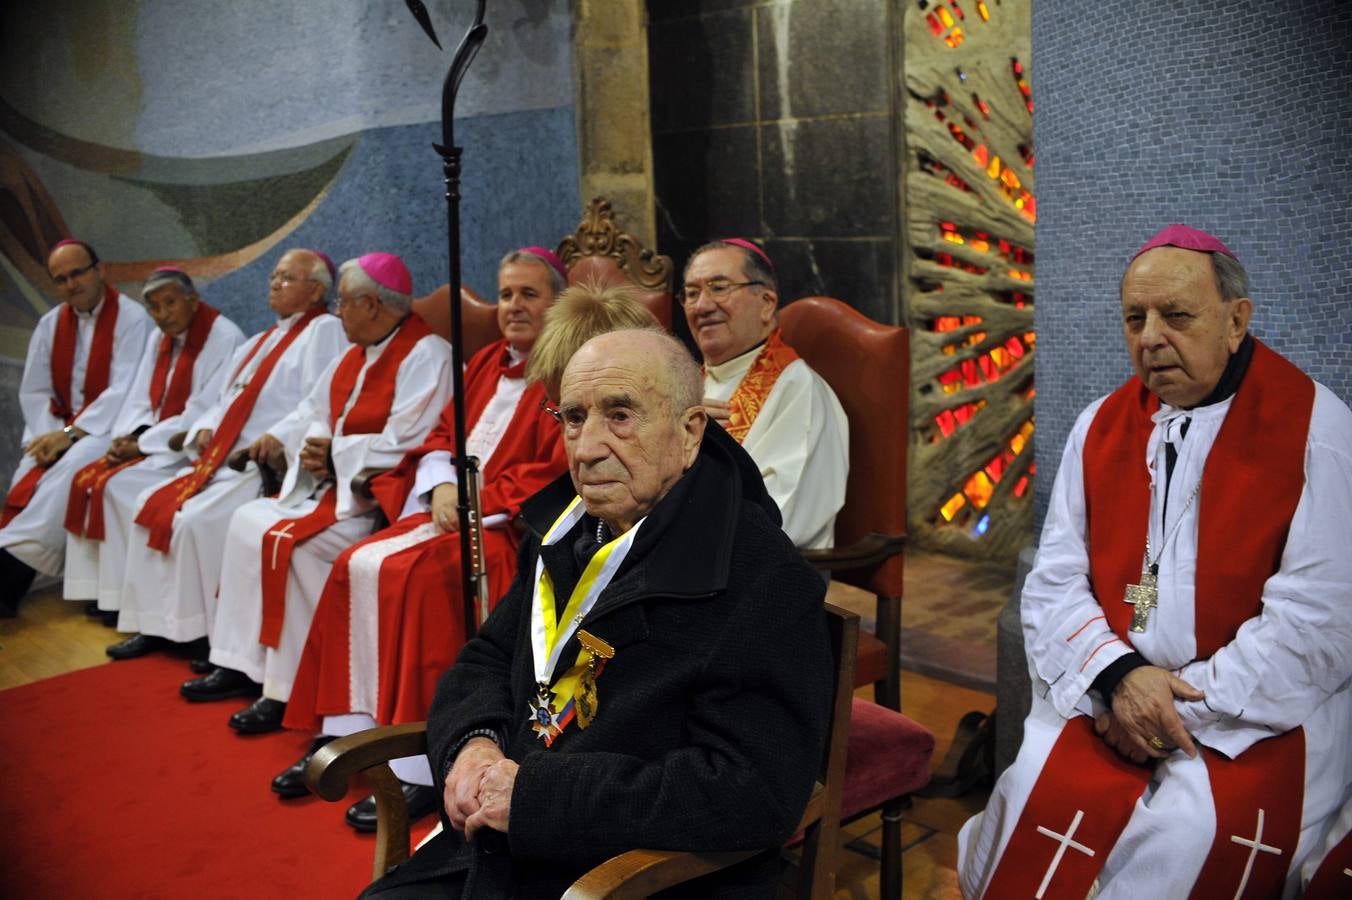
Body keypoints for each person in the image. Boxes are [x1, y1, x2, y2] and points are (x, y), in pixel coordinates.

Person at [360, 328, 833, 899]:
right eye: (574, 417)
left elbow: (755, 790)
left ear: (689, 433)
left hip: (629, 875)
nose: (585, 449)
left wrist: (538, 796)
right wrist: (473, 745)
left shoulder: (760, 577)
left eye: (621, 416)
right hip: (500, 839)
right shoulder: (564, 529)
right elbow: (487, 655)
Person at [958, 225, 1352, 898]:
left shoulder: (1318, 431)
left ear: (1236, 320)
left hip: (1249, 722)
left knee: (1186, 838)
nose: (1149, 337)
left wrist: (1167, 714)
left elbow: (1316, 623)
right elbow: (1053, 584)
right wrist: (1119, 679)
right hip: (1109, 697)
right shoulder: (1099, 427)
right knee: (1023, 798)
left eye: (1176, 315)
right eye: (1134, 319)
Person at [280, 268, 662, 834]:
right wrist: (438, 483)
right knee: (357, 562)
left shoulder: (696, 536)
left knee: (421, 577)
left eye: (528, 294)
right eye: (570, 418)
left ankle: (413, 767)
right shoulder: (487, 367)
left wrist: (485, 501)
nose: (584, 442)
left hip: (504, 527)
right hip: (476, 520)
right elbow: (442, 435)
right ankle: (354, 730)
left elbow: (554, 473)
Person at [182, 252, 454, 737]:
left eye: (345, 302)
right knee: (247, 520)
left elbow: (412, 439)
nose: (338, 312)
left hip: (371, 500)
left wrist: (334, 455)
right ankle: (243, 664)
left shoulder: (427, 354)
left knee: (295, 547)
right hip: (324, 488)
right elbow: (310, 412)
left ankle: (285, 688)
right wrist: (287, 442)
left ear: (372, 304)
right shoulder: (351, 354)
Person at [105, 248, 347, 659]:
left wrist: (276, 434)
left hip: (254, 463)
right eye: (274, 275)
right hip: (219, 455)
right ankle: (155, 623)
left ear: (316, 291)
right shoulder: (261, 340)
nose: (274, 282)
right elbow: (224, 399)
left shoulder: (324, 330)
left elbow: (316, 402)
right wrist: (204, 428)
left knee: (195, 521)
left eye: (287, 278)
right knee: (149, 505)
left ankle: (199, 631)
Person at [63, 267, 245, 624]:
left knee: (116, 488)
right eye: (155, 308)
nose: (163, 315)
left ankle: (130, 598)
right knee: (87, 481)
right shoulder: (157, 338)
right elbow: (139, 397)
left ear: (193, 300)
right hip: (151, 440)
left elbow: (204, 410)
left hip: (183, 451)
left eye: (170, 303)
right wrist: (127, 437)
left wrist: (144, 444)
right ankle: (107, 591)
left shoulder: (225, 338)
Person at [1, 239, 152, 617]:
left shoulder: (132, 319)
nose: (71, 284)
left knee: (69, 474)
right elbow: (34, 389)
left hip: (108, 429)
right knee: (32, 472)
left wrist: (69, 436)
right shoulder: (51, 324)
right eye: (61, 279)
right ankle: (16, 564)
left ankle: (10, 575)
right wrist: (50, 433)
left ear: (99, 270)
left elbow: (125, 388)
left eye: (78, 273)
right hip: (56, 425)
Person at [682, 238, 848, 549]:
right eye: (692, 293)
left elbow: (781, 520)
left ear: (767, 303)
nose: (702, 306)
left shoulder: (800, 391)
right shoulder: (687, 388)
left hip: (756, 575)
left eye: (719, 288)